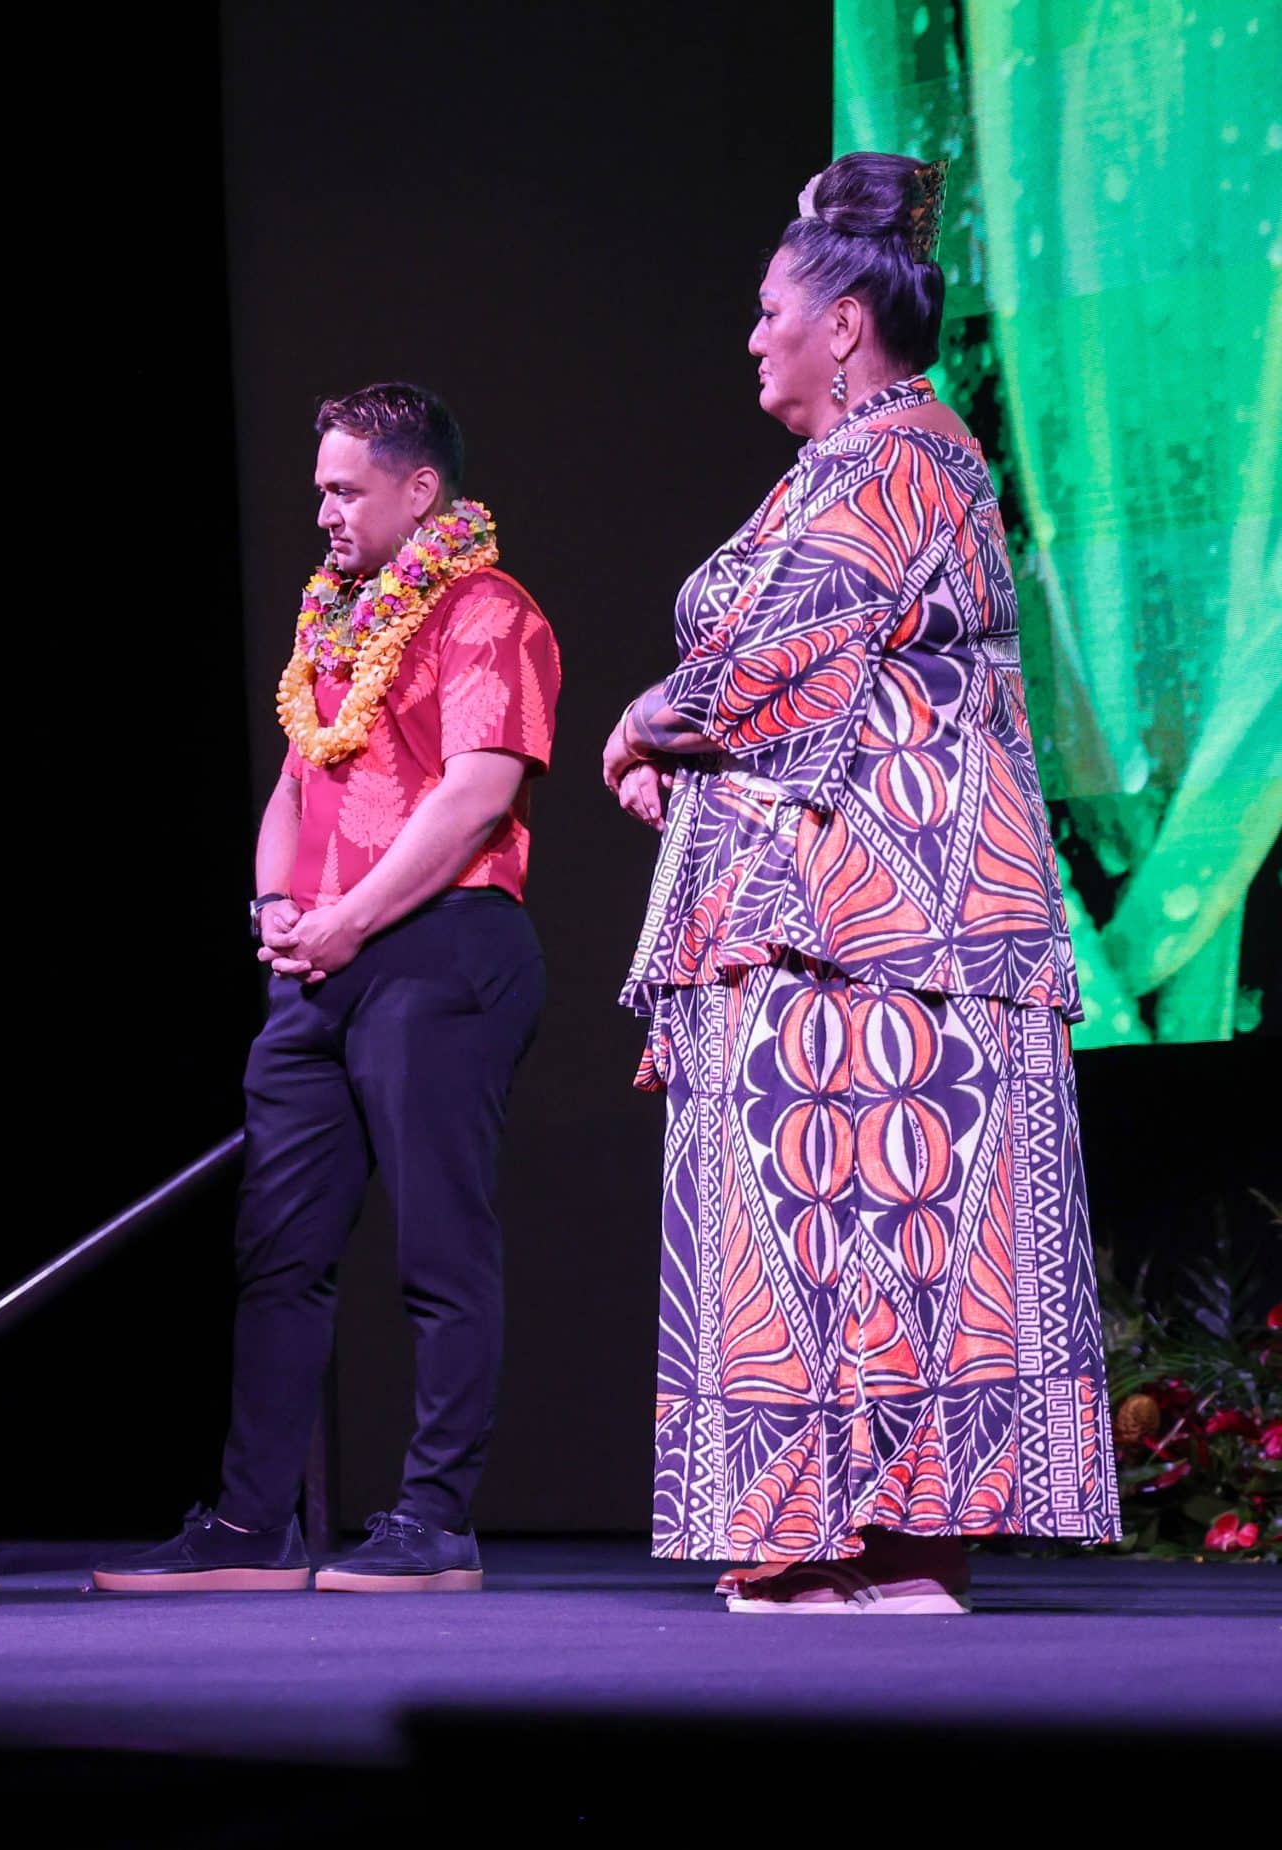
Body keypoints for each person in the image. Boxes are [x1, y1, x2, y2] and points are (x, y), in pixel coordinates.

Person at [604, 154, 1118, 1614]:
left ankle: (870, 1536)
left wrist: (643, 721)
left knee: (858, 1213)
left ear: (842, 324)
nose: (751, 338)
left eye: (770, 312)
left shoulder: (893, 458)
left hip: (881, 919)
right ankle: (849, 1536)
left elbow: (779, 653)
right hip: (857, 913)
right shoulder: (872, 461)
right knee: (852, 1214)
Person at [93, 383, 559, 1594]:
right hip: (317, 966)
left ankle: (434, 1522)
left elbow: (477, 790)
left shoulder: (486, 610)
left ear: (420, 490)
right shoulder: (334, 623)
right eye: (317, 490)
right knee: (278, 1250)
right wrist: (273, 906)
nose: (324, 513)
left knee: (438, 1245)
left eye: (346, 490)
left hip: (441, 946)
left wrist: (350, 917)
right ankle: (252, 1525)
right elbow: (295, 787)